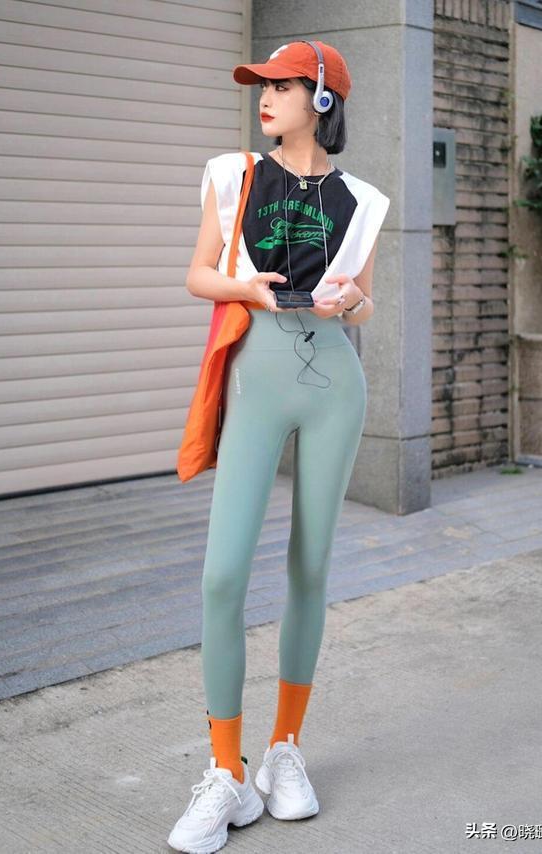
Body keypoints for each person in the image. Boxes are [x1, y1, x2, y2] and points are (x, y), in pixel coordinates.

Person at [168, 40, 390, 854]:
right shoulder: (232, 176)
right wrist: (244, 287)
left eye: (282, 85)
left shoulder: (363, 200)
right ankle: (226, 773)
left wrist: (350, 300)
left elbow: (364, 305)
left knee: (310, 568)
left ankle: (284, 750)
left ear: (321, 99)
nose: (264, 97)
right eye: (261, 85)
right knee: (223, 575)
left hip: (335, 388)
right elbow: (198, 273)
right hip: (257, 379)